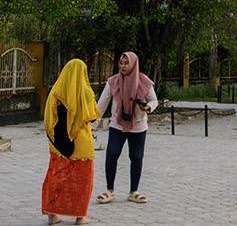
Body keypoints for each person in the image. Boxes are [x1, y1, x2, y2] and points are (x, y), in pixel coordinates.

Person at [42, 58, 101, 225]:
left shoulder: (55, 93)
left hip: (58, 145)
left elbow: (48, 120)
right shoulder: (85, 93)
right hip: (81, 145)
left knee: (56, 177)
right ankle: (80, 217)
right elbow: (93, 115)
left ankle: (52, 215)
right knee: (81, 181)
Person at [95, 51, 157, 205]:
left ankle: (133, 191)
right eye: (120, 63)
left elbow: (153, 100)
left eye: (126, 63)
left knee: (136, 157)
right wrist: (91, 125)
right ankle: (109, 190)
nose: (122, 66)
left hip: (138, 126)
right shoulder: (113, 82)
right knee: (112, 154)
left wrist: (147, 107)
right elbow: (101, 104)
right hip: (117, 124)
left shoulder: (144, 81)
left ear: (133, 64)